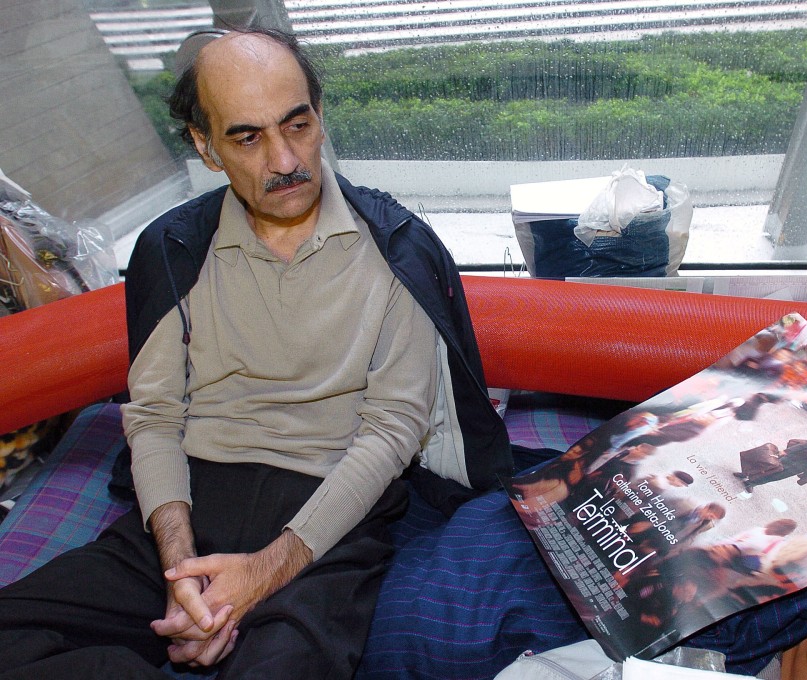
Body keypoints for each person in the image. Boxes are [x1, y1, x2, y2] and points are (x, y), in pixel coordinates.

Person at [0, 27, 511, 679]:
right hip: (195, 495)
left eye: (297, 125)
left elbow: (392, 430)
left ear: (319, 118)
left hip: (328, 511)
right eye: (247, 137)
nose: (284, 159)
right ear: (204, 146)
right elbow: (153, 418)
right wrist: (181, 568)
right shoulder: (171, 249)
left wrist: (263, 573)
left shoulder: (397, 250)